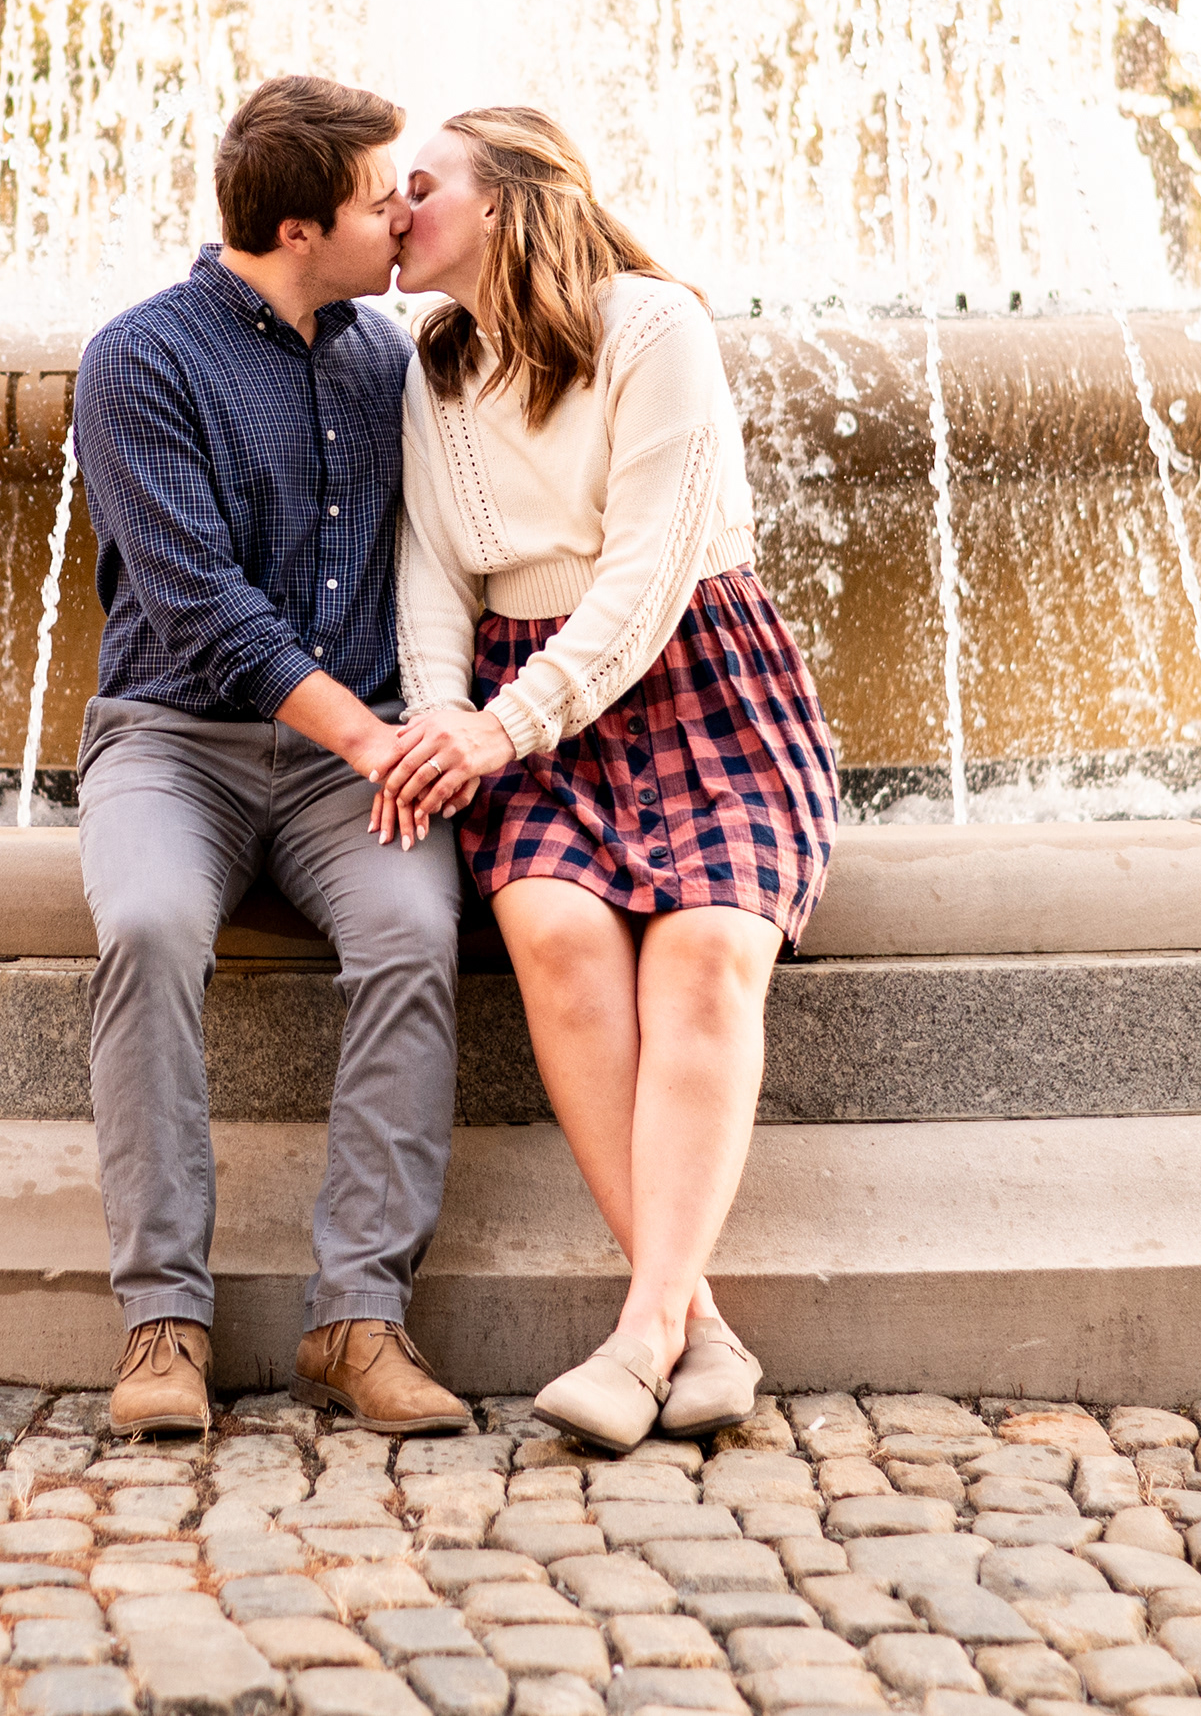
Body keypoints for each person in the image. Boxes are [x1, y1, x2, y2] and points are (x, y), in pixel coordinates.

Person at [370, 107, 839, 1452]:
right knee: (560, 938)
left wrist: (495, 729)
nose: (396, 209)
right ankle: (692, 1326)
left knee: (706, 955)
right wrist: (444, 718)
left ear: (503, 201)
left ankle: (639, 1336)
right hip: (523, 709)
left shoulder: (654, 326)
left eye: (422, 185)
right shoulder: (434, 363)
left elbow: (643, 585)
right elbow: (431, 575)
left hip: (700, 682)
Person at [66, 76, 475, 1441]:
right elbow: (202, 610)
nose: (403, 214)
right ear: (300, 229)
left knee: (415, 931)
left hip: (341, 767)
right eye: (379, 200)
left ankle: (358, 1315)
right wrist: (382, 742)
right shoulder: (140, 359)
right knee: (146, 922)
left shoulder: (386, 356)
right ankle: (163, 1321)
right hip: (173, 739)